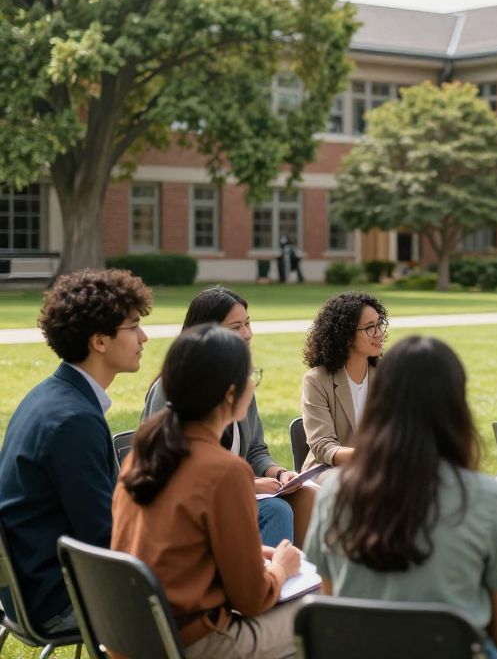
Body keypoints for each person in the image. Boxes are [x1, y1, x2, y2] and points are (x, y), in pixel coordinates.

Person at [304, 336, 497, 659]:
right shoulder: (488, 498)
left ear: (379, 403)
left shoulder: (334, 492)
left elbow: (334, 609)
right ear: (455, 407)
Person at [114, 324, 302, 659]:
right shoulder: (224, 471)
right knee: (323, 617)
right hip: (191, 643)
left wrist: (256, 553)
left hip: (131, 638)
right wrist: (282, 569)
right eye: (250, 376)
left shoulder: (144, 453)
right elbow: (253, 600)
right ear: (231, 393)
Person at [0, 269, 151, 632]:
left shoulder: (49, 396)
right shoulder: (72, 420)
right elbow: (104, 537)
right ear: (99, 341)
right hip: (59, 597)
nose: (144, 337)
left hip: (33, 586)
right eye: (133, 327)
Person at [141, 286, 315, 546]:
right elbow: (169, 468)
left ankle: (299, 576)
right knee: (277, 511)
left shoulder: (240, 382)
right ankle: (279, 581)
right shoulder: (173, 387)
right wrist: (247, 486)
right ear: (207, 334)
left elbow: (256, 450)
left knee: (307, 495)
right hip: (194, 502)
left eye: (247, 323)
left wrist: (279, 474)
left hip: (232, 494)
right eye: (235, 328)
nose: (247, 334)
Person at [300, 292, 387, 470]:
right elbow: (324, 447)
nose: (379, 333)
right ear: (346, 335)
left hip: (381, 469)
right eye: (370, 327)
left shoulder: (387, 375)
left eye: (379, 324)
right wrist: (373, 456)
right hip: (328, 470)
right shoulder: (317, 380)